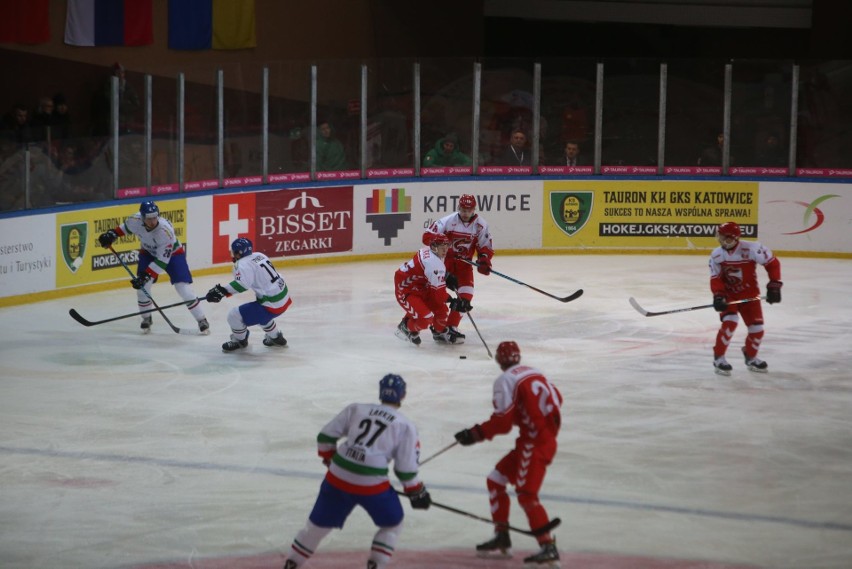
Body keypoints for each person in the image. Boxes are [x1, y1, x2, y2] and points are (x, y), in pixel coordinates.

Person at [283, 373, 431, 569]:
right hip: (372, 486)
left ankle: (292, 563)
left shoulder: (357, 409)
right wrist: (417, 492)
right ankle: (375, 565)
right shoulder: (405, 425)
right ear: (402, 395)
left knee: (317, 526)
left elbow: (325, 437)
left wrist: (330, 461)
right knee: (393, 524)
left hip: (337, 477)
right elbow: (405, 470)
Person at [454, 341, 562, 566]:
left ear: (498, 359)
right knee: (496, 480)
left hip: (534, 444)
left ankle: (547, 546)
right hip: (537, 440)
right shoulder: (535, 372)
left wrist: (475, 434)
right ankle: (501, 536)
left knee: (526, 494)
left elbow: (502, 423)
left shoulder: (506, 380)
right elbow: (556, 400)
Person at [97, 201, 208, 334]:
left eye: (155, 217)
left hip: (173, 254)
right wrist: (111, 235)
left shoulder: (165, 231)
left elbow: (162, 261)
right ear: (142, 217)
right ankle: (146, 317)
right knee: (143, 287)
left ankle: (201, 319)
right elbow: (124, 229)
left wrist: (146, 274)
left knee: (183, 288)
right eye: (149, 218)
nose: (153, 221)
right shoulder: (135, 220)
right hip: (148, 253)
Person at [709, 221, 782, 375]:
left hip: (750, 295)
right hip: (729, 295)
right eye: (720, 237)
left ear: (735, 239)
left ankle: (751, 356)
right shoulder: (716, 254)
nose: (722, 241)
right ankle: (719, 357)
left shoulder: (752, 249)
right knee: (730, 323)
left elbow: (773, 264)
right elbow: (715, 278)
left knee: (757, 330)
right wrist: (718, 295)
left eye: (726, 239)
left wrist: (774, 284)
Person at [422, 194, 493, 344]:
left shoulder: (481, 225)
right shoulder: (448, 220)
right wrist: (442, 244)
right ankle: (435, 326)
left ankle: (451, 327)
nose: (465, 213)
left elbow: (485, 246)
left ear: (474, 209)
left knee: (466, 297)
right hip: (444, 263)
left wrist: (484, 260)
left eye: (469, 210)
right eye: (463, 209)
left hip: (464, 265)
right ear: (458, 208)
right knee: (435, 294)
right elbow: (427, 236)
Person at [204, 237, 292, 352]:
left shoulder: (241, 264)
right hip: (284, 299)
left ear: (238, 252)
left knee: (233, 316)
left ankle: (240, 341)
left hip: (271, 306)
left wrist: (222, 291)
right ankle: (276, 337)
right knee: (261, 312)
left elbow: (242, 284)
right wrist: (223, 291)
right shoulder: (259, 255)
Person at [394, 233, 469, 346]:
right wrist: (453, 301)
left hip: (421, 285)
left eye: (446, 245)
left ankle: (439, 333)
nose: (445, 249)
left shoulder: (431, 252)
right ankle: (406, 327)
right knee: (426, 319)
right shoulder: (434, 264)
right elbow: (438, 295)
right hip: (406, 289)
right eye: (441, 246)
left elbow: (427, 274)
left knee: (442, 312)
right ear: (434, 246)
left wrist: (446, 276)